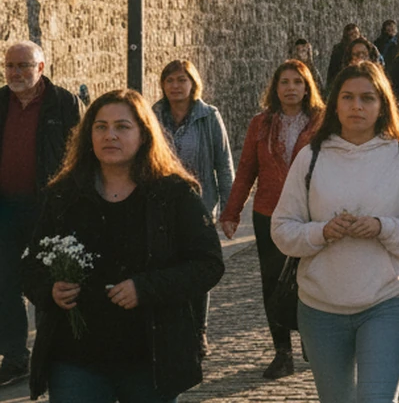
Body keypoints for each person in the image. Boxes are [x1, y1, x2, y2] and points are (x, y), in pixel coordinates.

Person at [21, 88, 224, 402]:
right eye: (100, 127)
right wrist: (50, 290)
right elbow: (31, 263)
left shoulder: (173, 194)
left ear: (143, 135)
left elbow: (207, 264)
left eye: (122, 127)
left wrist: (146, 287)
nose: (109, 135)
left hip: (148, 355)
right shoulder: (63, 194)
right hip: (75, 357)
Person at [271, 61, 399, 403]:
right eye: (347, 97)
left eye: (367, 98)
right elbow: (282, 229)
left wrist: (382, 227)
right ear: (334, 104)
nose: (357, 106)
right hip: (320, 308)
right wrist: (322, 232)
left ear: (382, 106)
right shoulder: (311, 158)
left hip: (386, 303)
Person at [219, 59, 323, 380]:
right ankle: (283, 351)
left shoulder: (322, 122)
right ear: (275, 88)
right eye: (284, 82)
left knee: (312, 278)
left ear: (307, 88)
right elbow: (247, 169)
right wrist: (231, 211)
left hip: (312, 213)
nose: (291, 88)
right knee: (272, 281)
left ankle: (311, 337)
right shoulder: (261, 124)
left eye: (297, 82)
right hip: (269, 213)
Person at [0, 42, 81, 387]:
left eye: (24, 66)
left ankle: (53, 353)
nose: (16, 73)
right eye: (10, 66)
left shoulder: (63, 103)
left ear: (41, 67)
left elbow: (80, 155)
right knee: (4, 283)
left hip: (48, 208)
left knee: (48, 283)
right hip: (4, 208)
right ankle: (16, 356)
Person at [151, 58, 233, 353]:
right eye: (170, 80)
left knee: (197, 268)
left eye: (181, 80)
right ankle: (169, 329)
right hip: (160, 204)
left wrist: (229, 208)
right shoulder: (153, 115)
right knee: (165, 267)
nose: (175, 86)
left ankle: (198, 330)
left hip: (199, 205)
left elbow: (223, 164)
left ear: (192, 83)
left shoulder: (208, 115)